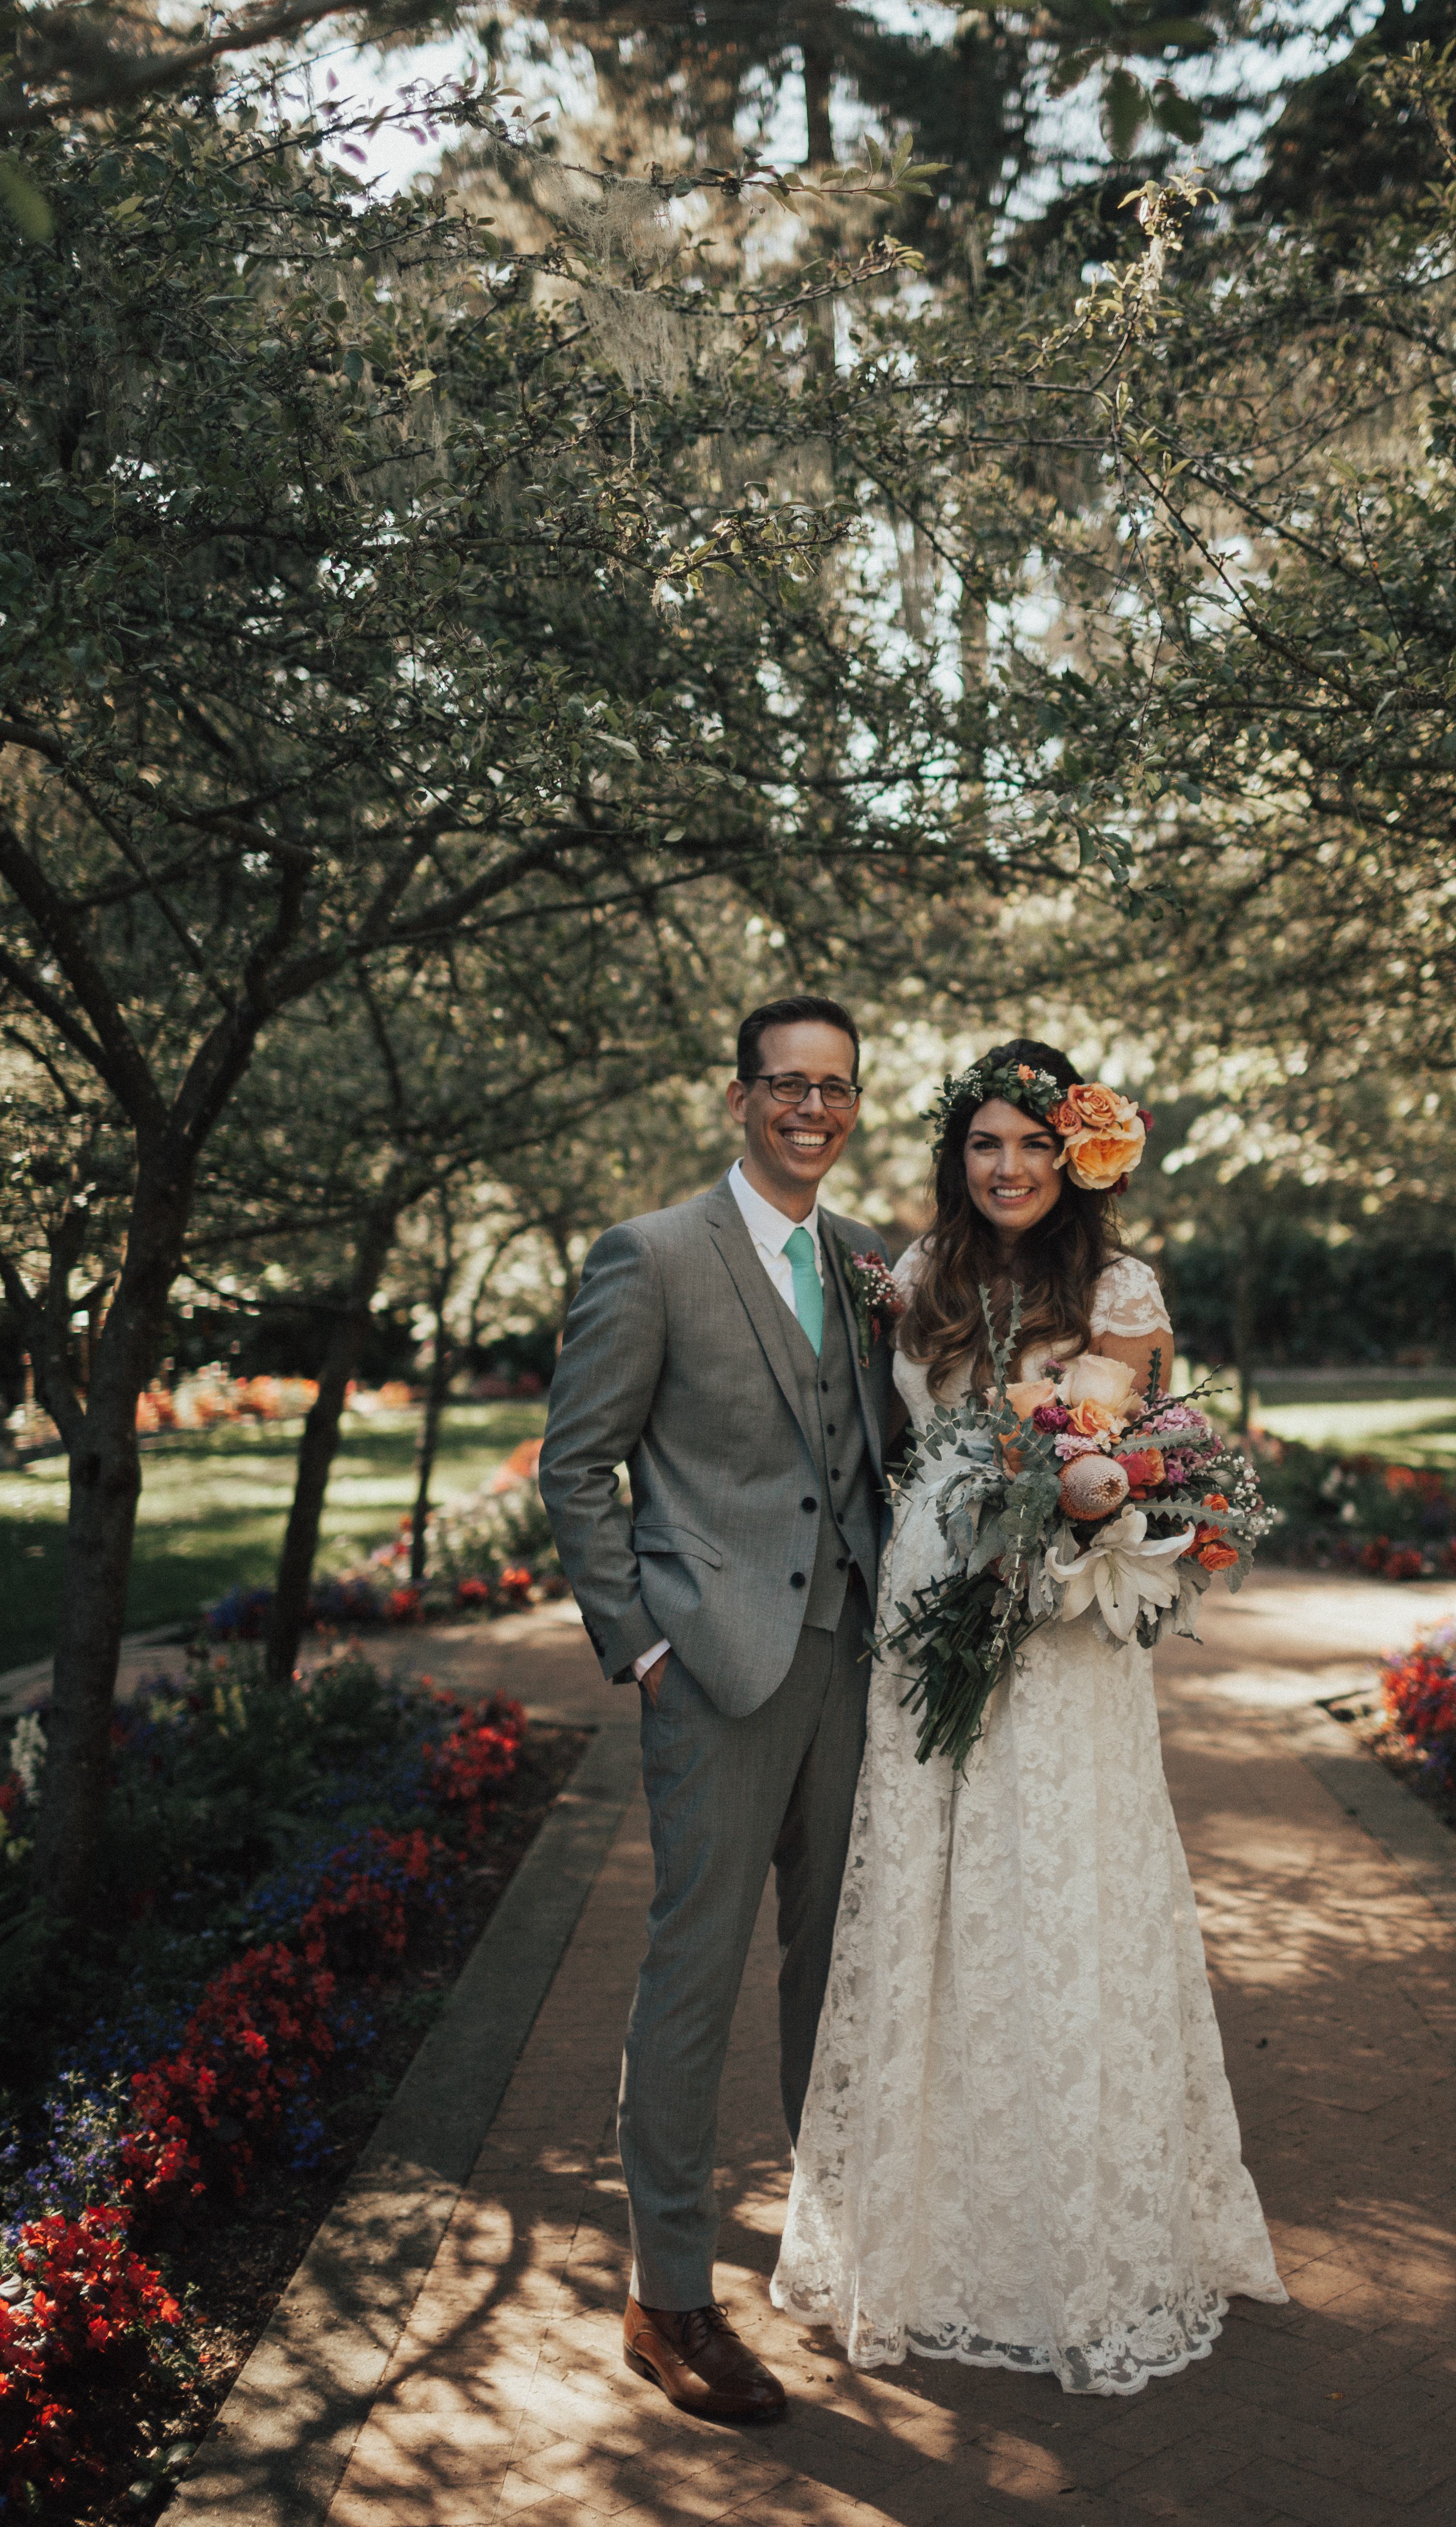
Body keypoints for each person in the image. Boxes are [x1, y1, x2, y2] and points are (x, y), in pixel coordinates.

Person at [773, 1038, 1287, 2393]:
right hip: (924, 1610)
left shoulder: (1116, 1286)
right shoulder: (918, 1279)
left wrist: (1089, 1499)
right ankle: (929, 2238)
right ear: (955, 1158)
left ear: (1078, 1158)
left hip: (1059, 1624)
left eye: (1032, 1144)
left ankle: (1092, 2245)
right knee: (932, 1902)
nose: (1007, 1168)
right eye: (984, 1144)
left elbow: (1132, 1443)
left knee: (1059, 1895)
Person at [539, 996, 897, 2423]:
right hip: (714, 1670)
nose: (813, 1108)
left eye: (837, 1089)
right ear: (737, 1098)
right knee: (692, 1977)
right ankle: (668, 2293)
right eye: (787, 1085)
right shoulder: (651, 1255)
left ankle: (828, 2248)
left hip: (851, 1664)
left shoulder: (870, 1259)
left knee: (838, 1973)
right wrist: (638, 1648)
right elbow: (579, 1466)